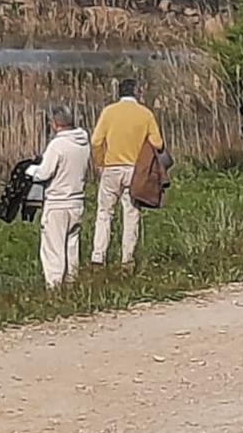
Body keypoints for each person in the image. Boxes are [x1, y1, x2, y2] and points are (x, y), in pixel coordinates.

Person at [90, 78, 163, 268]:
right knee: (131, 214)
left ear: (119, 93)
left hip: (111, 167)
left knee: (104, 212)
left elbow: (96, 141)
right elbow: (158, 143)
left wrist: (100, 163)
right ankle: (127, 258)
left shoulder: (109, 112)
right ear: (137, 92)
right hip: (135, 169)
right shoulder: (145, 114)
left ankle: (98, 256)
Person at [26, 105, 91, 289]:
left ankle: (54, 288)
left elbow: (44, 174)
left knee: (53, 249)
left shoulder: (57, 145)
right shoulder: (83, 142)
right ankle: (72, 283)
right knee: (72, 245)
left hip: (57, 203)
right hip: (77, 200)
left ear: (54, 124)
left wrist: (31, 170)